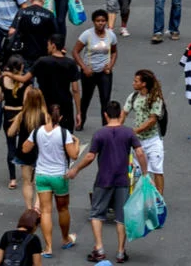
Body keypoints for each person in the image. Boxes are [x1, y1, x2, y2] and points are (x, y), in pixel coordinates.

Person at [66, 100, 147, 265]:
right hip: (122, 180)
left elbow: (90, 157)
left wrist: (76, 169)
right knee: (121, 217)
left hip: (103, 179)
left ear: (105, 115)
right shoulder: (128, 133)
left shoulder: (100, 134)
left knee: (97, 214)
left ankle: (99, 248)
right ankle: (120, 252)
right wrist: (145, 173)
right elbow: (139, 152)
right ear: (120, 114)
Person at [22, 98, 79, 256]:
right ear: (60, 118)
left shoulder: (38, 131)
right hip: (59, 176)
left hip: (42, 174)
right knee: (62, 208)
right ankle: (65, 238)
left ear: (47, 115)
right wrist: (77, 142)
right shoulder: (64, 133)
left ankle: (48, 247)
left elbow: (25, 149)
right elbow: (73, 155)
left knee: (46, 211)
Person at [122, 68, 167, 193]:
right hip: (138, 142)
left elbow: (152, 120)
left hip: (153, 140)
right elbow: (124, 113)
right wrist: (117, 128)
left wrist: (135, 130)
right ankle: (141, 195)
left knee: (157, 170)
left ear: (144, 84)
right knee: (138, 170)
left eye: (136, 81)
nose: (133, 83)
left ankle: (159, 198)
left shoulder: (155, 99)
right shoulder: (133, 96)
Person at [71, 10, 118, 129]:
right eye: (98, 21)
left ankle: (105, 125)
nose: (100, 23)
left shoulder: (111, 35)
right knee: (86, 98)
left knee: (105, 99)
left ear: (106, 22)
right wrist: (84, 67)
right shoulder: (87, 35)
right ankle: (80, 121)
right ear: (93, 22)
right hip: (89, 72)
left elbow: (114, 52)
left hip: (104, 72)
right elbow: (75, 52)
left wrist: (110, 65)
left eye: (103, 21)